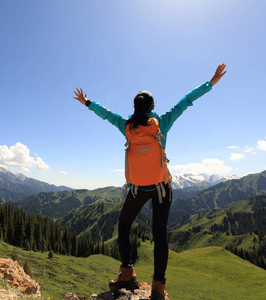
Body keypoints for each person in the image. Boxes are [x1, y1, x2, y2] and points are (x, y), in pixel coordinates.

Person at [73, 64, 227, 299]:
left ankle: (127, 272)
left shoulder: (126, 126)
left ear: (134, 108)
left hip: (137, 189)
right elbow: (185, 101)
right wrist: (211, 82)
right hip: (161, 188)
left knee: (124, 227)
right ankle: (158, 287)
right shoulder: (162, 124)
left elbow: (106, 114)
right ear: (153, 107)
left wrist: (87, 102)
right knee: (160, 234)